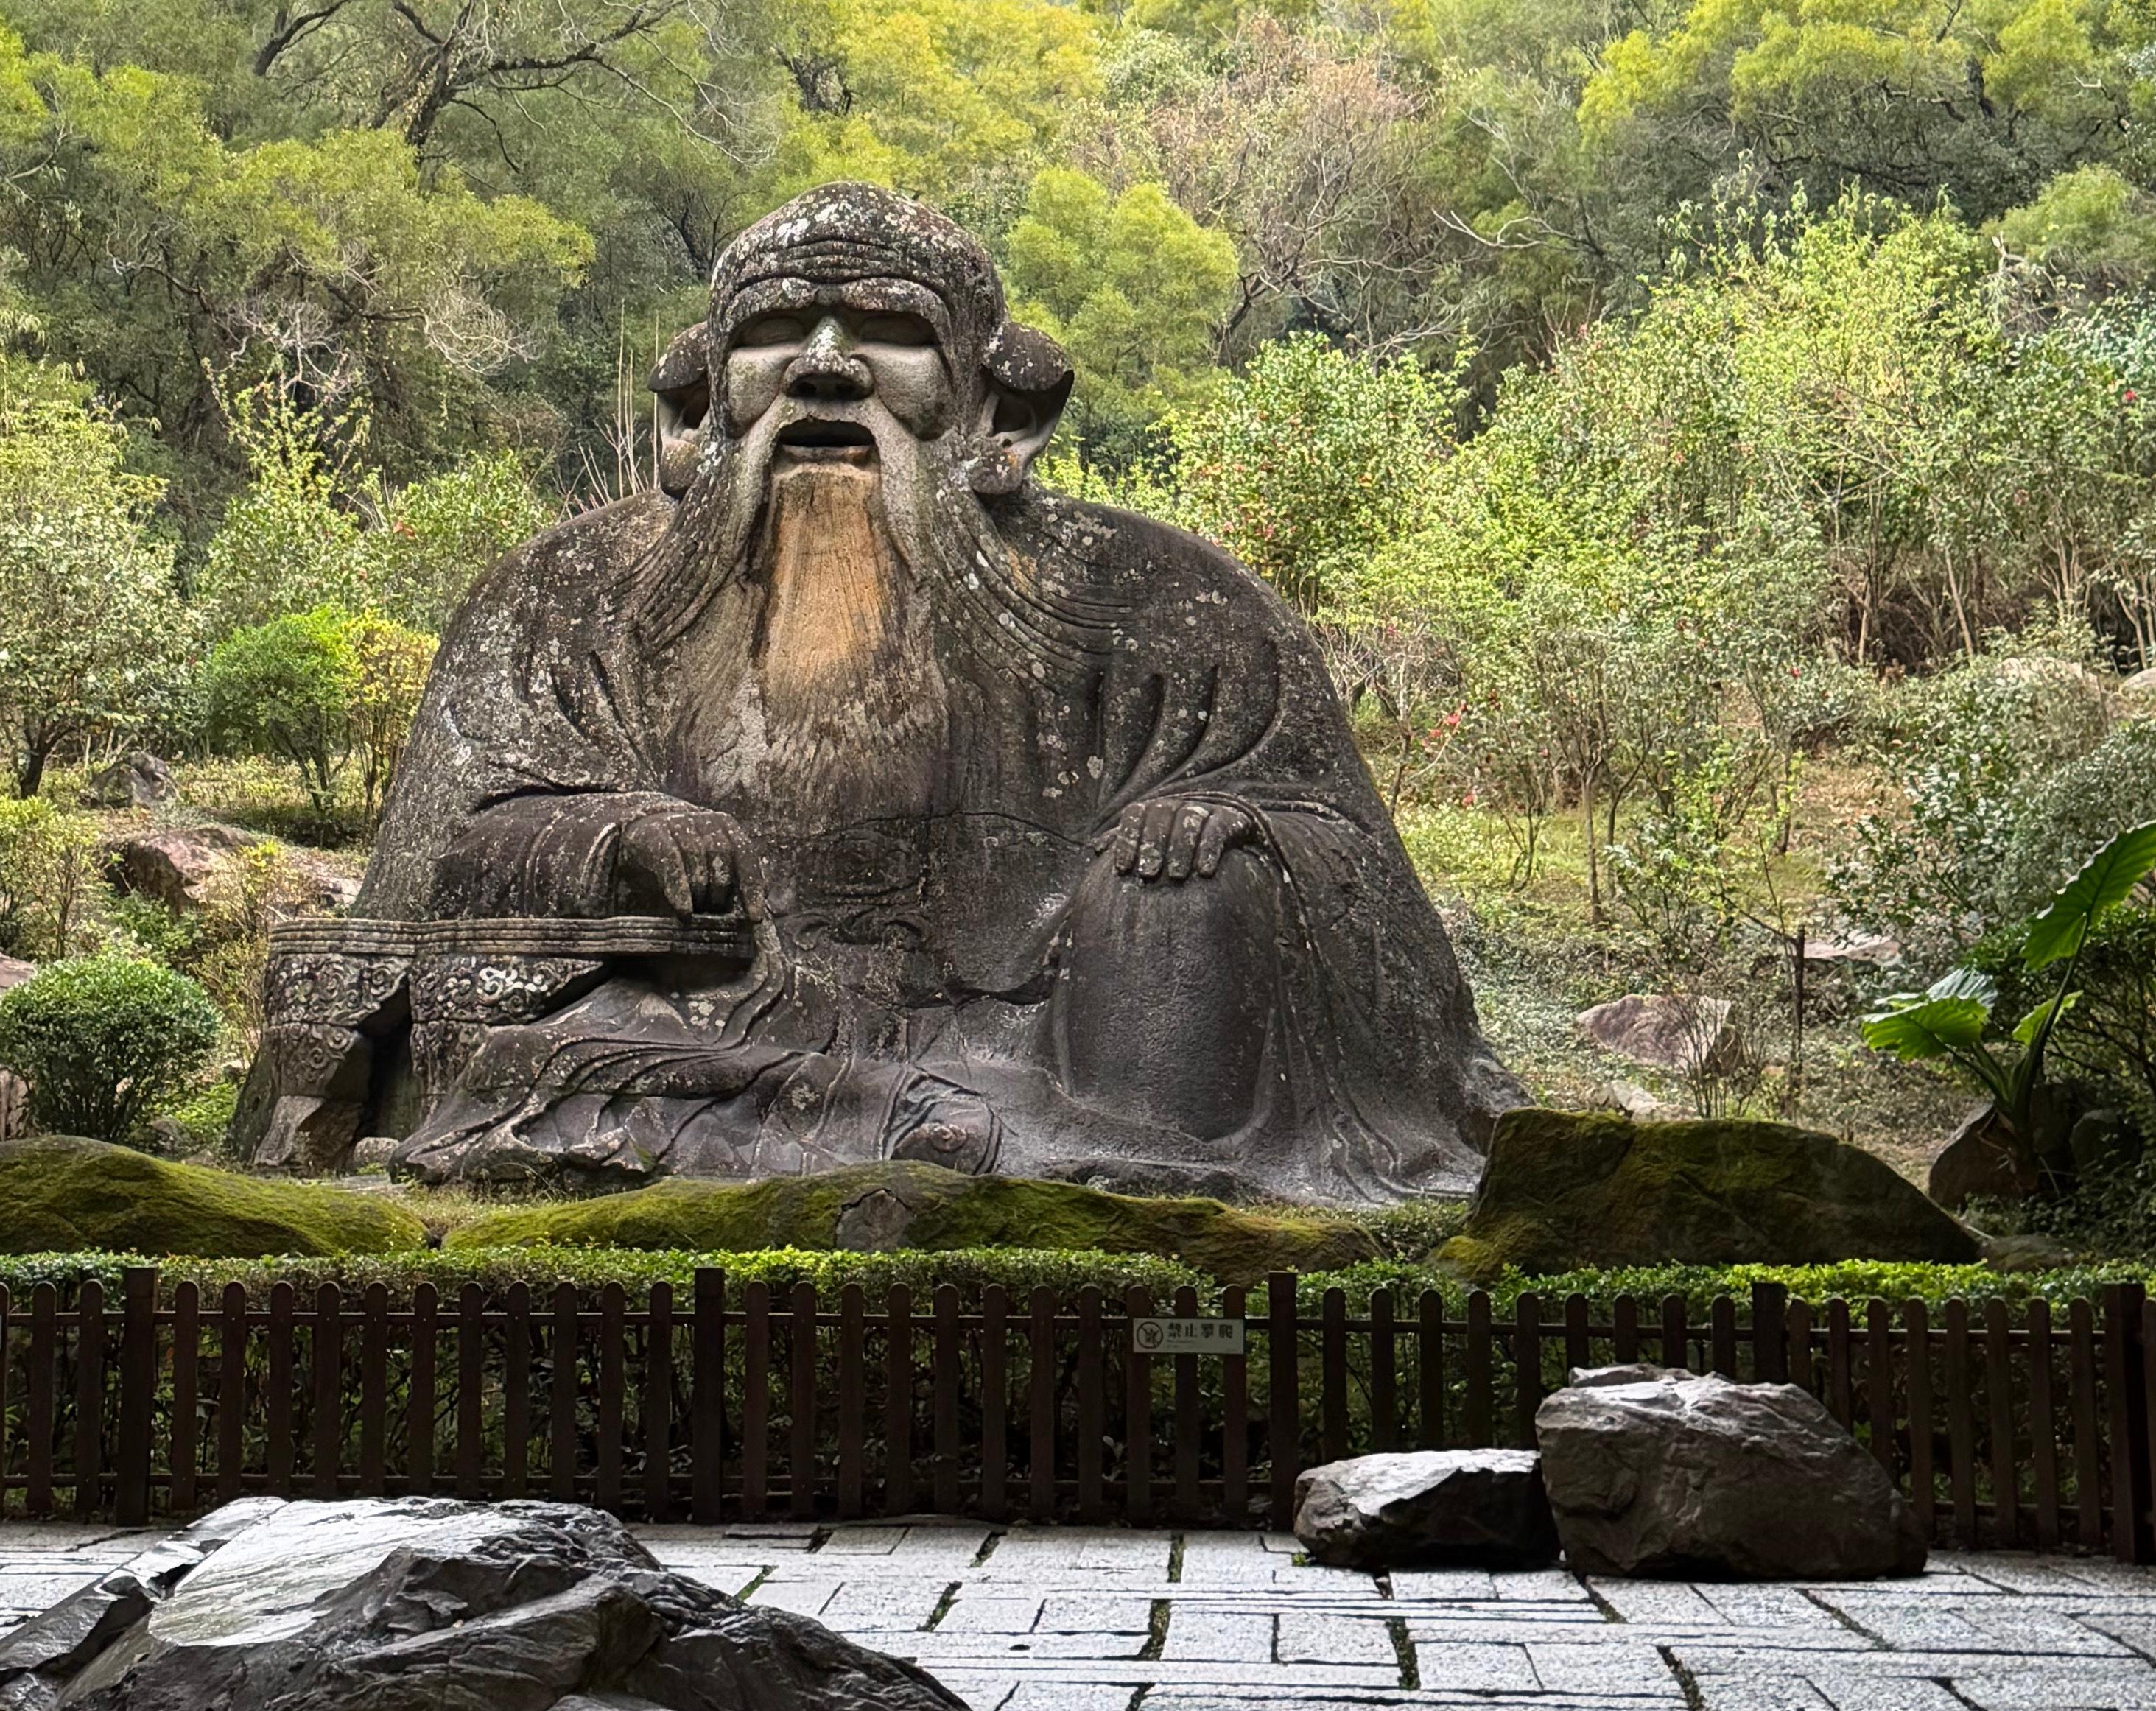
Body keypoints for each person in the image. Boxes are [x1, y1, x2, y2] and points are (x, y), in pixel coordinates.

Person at [315, 185, 1513, 1204]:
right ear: (697, 410)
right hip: (713, 1025)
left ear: (998, 411)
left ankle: (1031, 1139)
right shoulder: (562, 600)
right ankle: (940, 1133)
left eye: (886, 333)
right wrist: (613, 833)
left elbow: (1364, 895)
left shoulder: (1167, 607)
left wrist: (1233, 830)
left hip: (1045, 1043)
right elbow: (436, 869)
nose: (827, 366)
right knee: (555, 1076)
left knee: (1197, 894)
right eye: (779, 331)